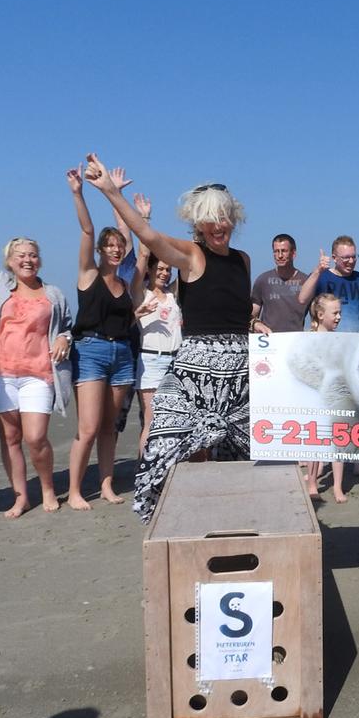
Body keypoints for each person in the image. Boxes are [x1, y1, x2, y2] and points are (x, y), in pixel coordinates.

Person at [82, 156, 263, 523]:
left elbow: (237, 314)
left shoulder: (243, 260)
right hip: (196, 372)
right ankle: (188, 516)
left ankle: (229, 517)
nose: (219, 226)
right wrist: (112, 194)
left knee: (240, 455)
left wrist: (256, 328)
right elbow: (149, 237)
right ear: (198, 222)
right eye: (211, 219)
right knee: (182, 447)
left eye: (225, 217)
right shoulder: (192, 255)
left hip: (241, 371)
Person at [0, 184, 74, 517]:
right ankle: (21, 496)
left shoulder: (53, 293)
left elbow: (66, 326)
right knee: (10, 439)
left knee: (35, 438)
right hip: (2, 375)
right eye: (20, 255)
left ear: (39, 260)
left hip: (39, 374)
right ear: (9, 261)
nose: (27, 259)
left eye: (32, 254)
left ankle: (49, 488)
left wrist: (65, 338)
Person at [65, 165, 135, 510]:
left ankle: (106, 486)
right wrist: (79, 193)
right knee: (89, 428)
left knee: (110, 429)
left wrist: (117, 196)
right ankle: (75, 490)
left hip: (122, 355)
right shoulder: (87, 274)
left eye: (117, 245)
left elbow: (135, 241)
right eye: (108, 245)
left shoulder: (125, 283)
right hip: (90, 351)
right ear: (100, 250)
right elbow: (87, 229)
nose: (114, 249)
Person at [131, 237, 182, 458]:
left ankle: (168, 464)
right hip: (151, 361)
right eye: (160, 268)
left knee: (175, 418)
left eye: (168, 269)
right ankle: (144, 469)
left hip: (176, 360)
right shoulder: (141, 292)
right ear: (150, 270)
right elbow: (142, 256)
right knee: (151, 420)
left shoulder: (172, 294)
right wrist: (144, 220)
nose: (164, 273)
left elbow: (190, 267)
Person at [303, 293, 350, 502]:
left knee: (338, 442)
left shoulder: (340, 340)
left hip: (336, 398)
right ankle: (312, 482)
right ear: (320, 315)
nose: (339, 317)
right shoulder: (308, 338)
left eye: (340, 312)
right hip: (315, 397)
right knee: (315, 442)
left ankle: (337, 487)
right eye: (335, 313)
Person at [298, 236, 359, 333]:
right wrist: (318, 270)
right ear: (334, 258)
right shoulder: (322, 277)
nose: (351, 261)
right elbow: (302, 299)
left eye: (354, 257)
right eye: (346, 258)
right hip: (328, 342)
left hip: (357, 342)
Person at [250, 233, 309, 333]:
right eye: (276, 251)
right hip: (269, 340)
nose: (280, 255)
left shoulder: (305, 281)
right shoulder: (263, 280)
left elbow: (316, 313)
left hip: (296, 340)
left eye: (284, 251)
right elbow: (252, 314)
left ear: (293, 253)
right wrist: (255, 324)